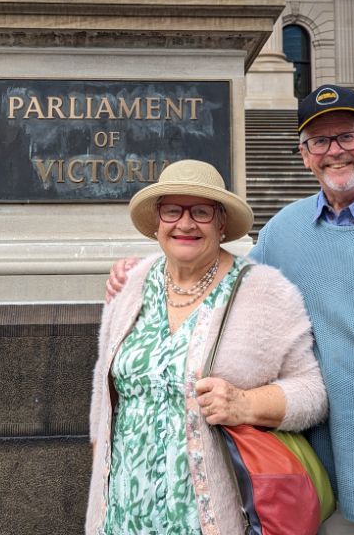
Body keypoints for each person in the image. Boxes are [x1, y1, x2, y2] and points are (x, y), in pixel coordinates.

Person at [107, 85, 354, 535]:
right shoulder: (284, 232)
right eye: (320, 141)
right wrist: (142, 272)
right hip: (328, 489)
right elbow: (219, 280)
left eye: (348, 137)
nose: (334, 151)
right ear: (305, 155)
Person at [88, 159, 327, 535]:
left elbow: (313, 393)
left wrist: (245, 404)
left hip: (210, 515)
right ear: (156, 222)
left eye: (201, 211)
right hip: (123, 511)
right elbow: (105, 393)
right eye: (172, 210)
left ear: (221, 223)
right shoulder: (129, 285)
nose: (185, 223)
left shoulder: (266, 292)